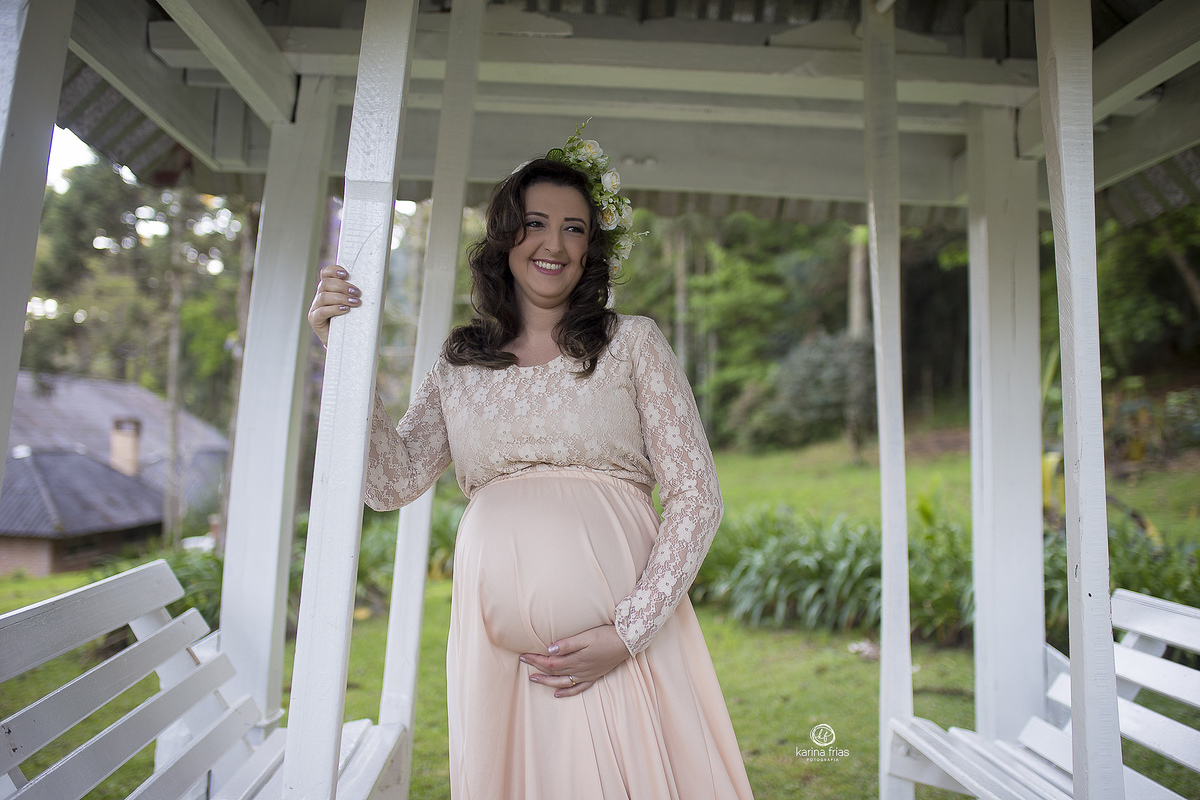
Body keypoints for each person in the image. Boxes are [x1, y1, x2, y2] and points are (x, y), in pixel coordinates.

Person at [308, 126, 754, 799]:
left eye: (575, 229)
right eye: (537, 223)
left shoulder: (631, 345)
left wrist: (628, 631)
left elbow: (697, 495)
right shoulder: (462, 363)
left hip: (618, 646)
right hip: (499, 658)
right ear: (505, 237)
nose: (554, 244)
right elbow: (391, 482)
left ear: (592, 247)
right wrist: (341, 357)